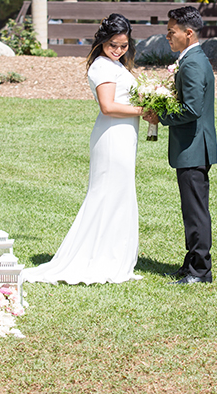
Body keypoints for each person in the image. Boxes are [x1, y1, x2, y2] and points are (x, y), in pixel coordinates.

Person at [21, 14, 150, 284]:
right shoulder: (102, 67)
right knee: (107, 195)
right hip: (112, 136)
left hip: (125, 135)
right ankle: (98, 257)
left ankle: (113, 255)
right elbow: (108, 106)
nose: (118, 50)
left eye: (124, 45)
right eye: (113, 44)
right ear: (103, 40)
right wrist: (144, 111)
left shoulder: (117, 65)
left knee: (120, 194)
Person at [154, 6, 217, 285]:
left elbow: (191, 109)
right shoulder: (193, 59)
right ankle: (191, 262)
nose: (168, 37)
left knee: (196, 212)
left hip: (193, 147)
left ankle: (200, 270)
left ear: (188, 33)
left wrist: (161, 116)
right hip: (192, 147)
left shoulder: (191, 63)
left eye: (171, 32)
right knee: (192, 210)